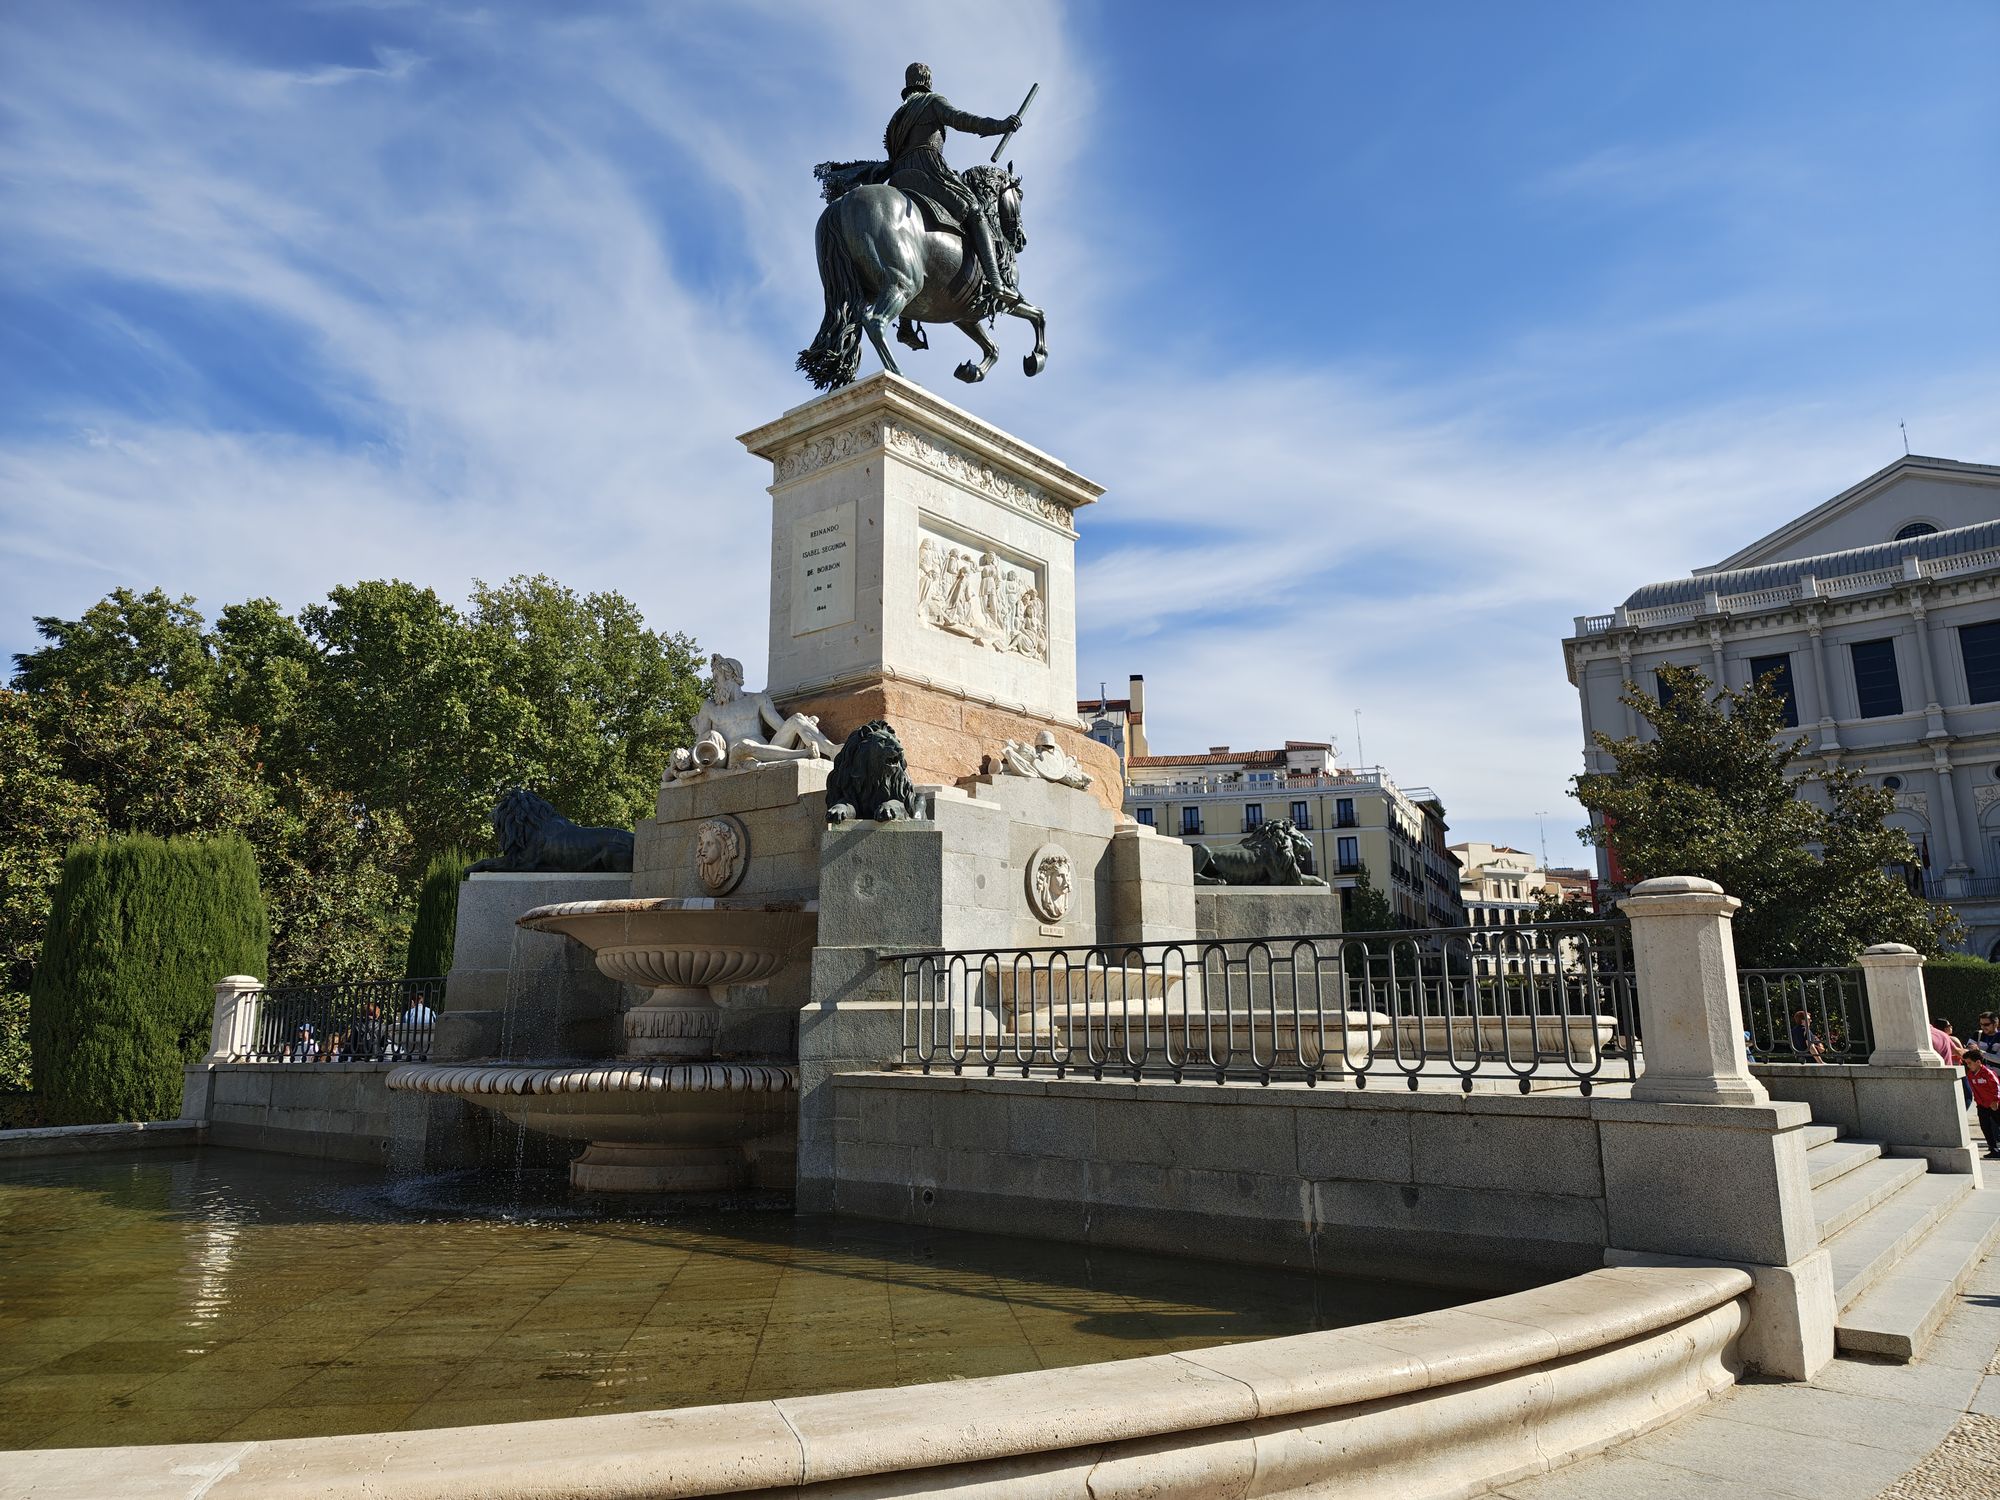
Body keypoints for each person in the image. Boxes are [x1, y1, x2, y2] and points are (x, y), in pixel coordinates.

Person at [884, 63, 1025, 310]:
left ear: (908, 85)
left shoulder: (897, 117)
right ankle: (996, 283)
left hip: (898, 177)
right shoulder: (932, 101)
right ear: (928, 81)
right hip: (927, 170)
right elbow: (963, 120)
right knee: (974, 210)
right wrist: (1000, 126)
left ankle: (905, 322)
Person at [1965, 1050, 2000, 1159]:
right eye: (1966, 1063)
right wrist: (1978, 1102)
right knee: (1985, 1127)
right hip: (1982, 1105)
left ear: (1978, 1062)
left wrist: (1995, 1100)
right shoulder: (1970, 1074)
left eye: (1970, 1063)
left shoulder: (1988, 1073)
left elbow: (1997, 1087)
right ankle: (1993, 1149)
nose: (1968, 1065)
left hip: (1994, 1105)